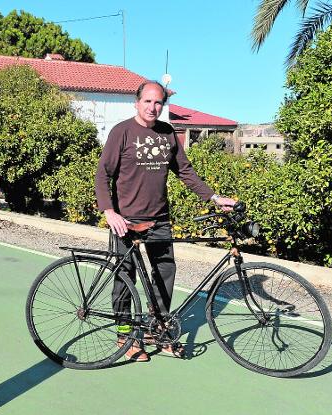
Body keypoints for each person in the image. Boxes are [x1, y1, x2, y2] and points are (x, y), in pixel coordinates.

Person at [95, 81, 235, 362]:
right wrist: (110, 212)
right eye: (147, 101)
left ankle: (154, 330)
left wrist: (214, 197)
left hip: (159, 219)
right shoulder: (122, 132)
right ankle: (125, 336)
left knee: (164, 274)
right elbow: (103, 175)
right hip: (127, 220)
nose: (152, 107)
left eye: (158, 102)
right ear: (137, 103)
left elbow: (185, 171)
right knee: (125, 280)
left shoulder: (167, 133)